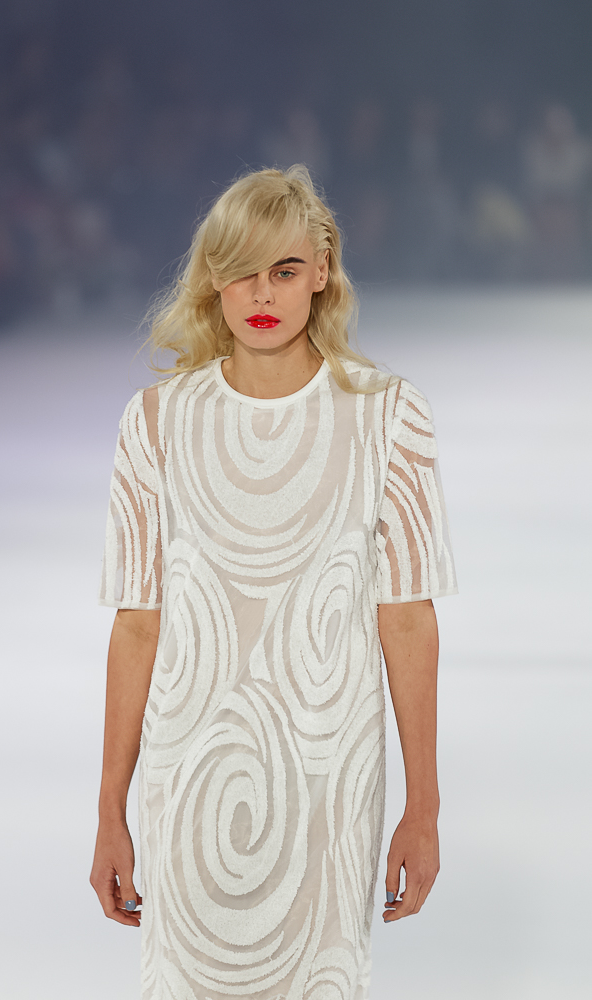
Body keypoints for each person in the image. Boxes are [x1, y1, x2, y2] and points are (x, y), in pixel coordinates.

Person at [90, 165, 457, 999]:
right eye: (241, 271)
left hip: (331, 777)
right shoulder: (155, 422)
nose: (261, 293)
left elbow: (407, 616)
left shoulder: (388, 416)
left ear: (321, 271)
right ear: (212, 279)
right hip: (186, 778)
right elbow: (138, 622)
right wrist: (110, 811)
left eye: (284, 270)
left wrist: (423, 807)